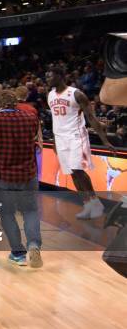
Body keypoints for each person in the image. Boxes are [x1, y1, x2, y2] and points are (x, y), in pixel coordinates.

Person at [0, 90, 43, 267]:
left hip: (4, 175)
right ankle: (34, 245)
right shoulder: (30, 117)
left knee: (7, 214)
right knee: (30, 211)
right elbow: (34, 138)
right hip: (28, 174)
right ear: (15, 102)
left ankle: (17, 252)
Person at [47, 66, 114, 219]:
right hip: (60, 138)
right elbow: (55, 120)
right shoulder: (50, 95)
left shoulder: (77, 94)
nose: (48, 79)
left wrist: (105, 140)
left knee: (78, 170)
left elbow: (91, 118)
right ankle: (87, 204)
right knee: (71, 172)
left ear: (60, 75)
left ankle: (96, 203)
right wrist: (54, 141)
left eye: (50, 76)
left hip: (76, 136)